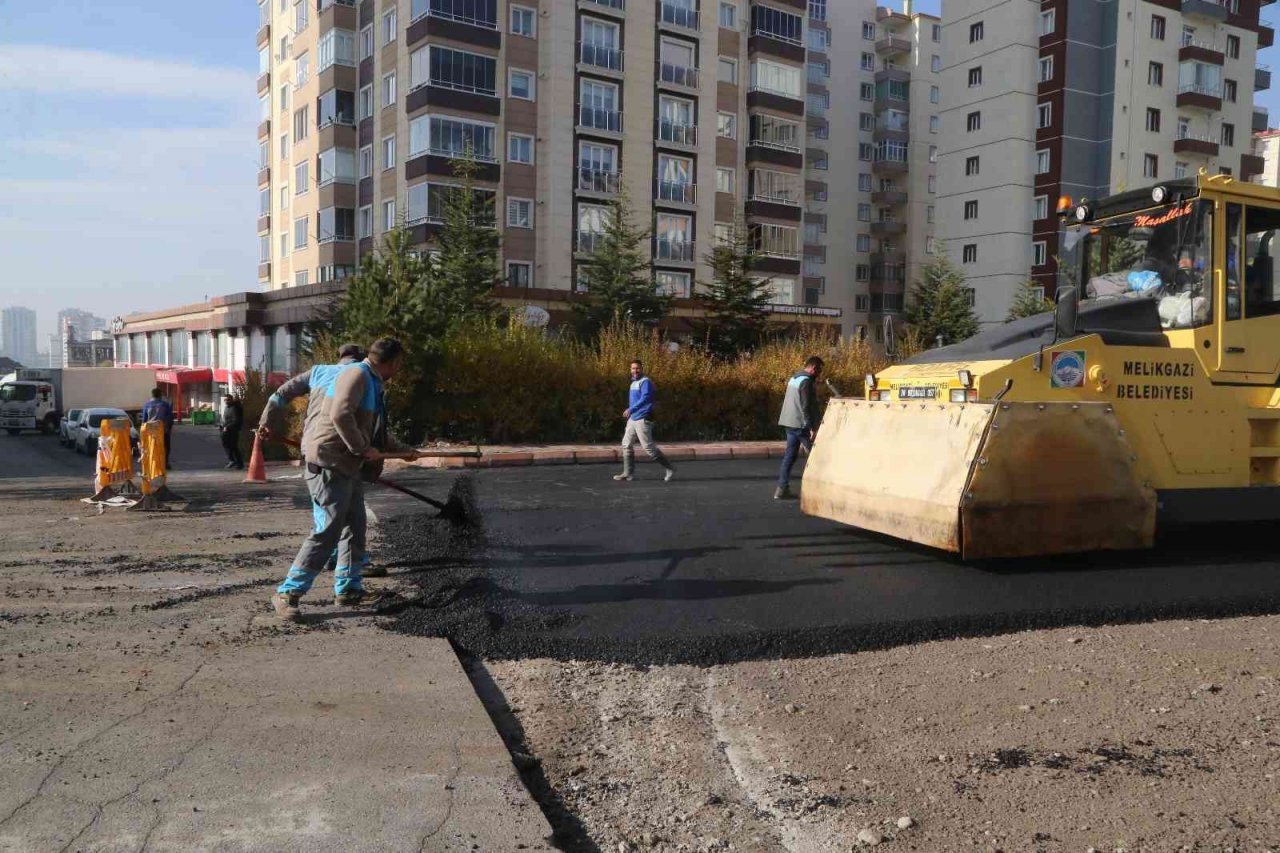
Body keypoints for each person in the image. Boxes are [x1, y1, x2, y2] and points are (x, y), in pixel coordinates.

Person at [271, 338, 420, 622]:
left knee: (355, 524)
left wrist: (404, 450)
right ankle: (288, 591)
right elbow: (340, 414)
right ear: (394, 362)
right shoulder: (357, 375)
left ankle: (349, 588)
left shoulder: (372, 381)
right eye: (400, 364)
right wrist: (362, 448)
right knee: (328, 528)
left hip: (346, 464)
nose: (399, 369)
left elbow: (373, 430)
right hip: (328, 462)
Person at [259, 343, 382, 577]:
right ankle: (342, 563)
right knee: (346, 516)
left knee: (328, 509)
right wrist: (368, 450)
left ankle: (337, 560)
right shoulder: (363, 376)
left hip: (313, 450)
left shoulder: (318, 372)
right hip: (344, 453)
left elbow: (279, 395)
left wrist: (266, 423)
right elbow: (367, 424)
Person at [613, 359, 675, 483]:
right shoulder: (633, 383)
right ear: (630, 370)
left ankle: (670, 468)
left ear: (642, 369)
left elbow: (645, 399)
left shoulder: (645, 382)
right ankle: (628, 473)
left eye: (637, 368)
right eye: (633, 368)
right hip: (633, 418)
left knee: (648, 447)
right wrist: (631, 412)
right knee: (626, 444)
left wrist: (631, 409)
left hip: (643, 418)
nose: (635, 371)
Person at [774, 355, 823, 500]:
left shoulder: (794, 378)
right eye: (819, 370)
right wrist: (812, 427)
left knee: (790, 455)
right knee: (816, 455)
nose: (819, 374)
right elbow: (806, 406)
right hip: (801, 424)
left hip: (789, 422)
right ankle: (818, 490)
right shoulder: (806, 381)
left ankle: (781, 489)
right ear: (813, 368)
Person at [140, 387, 175, 469]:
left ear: (152, 395)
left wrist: (143, 432)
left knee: (151, 447)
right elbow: (170, 418)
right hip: (162, 431)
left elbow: (144, 420)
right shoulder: (165, 405)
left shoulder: (147, 405)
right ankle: (165, 463)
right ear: (160, 395)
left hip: (150, 431)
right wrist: (169, 429)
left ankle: (152, 464)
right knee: (165, 447)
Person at [219, 394, 245, 469]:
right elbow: (226, 419)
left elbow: (236, 420)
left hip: (232, 431)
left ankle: (238, 463)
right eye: (225, 400)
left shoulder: (234, 408)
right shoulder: (227, 407)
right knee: (226, 445)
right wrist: (222, 425)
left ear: (231, 400)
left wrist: (227, 427)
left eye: (228, 400)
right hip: (225, 430)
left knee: (233, 446)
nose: (226, 401)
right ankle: (232, 460)